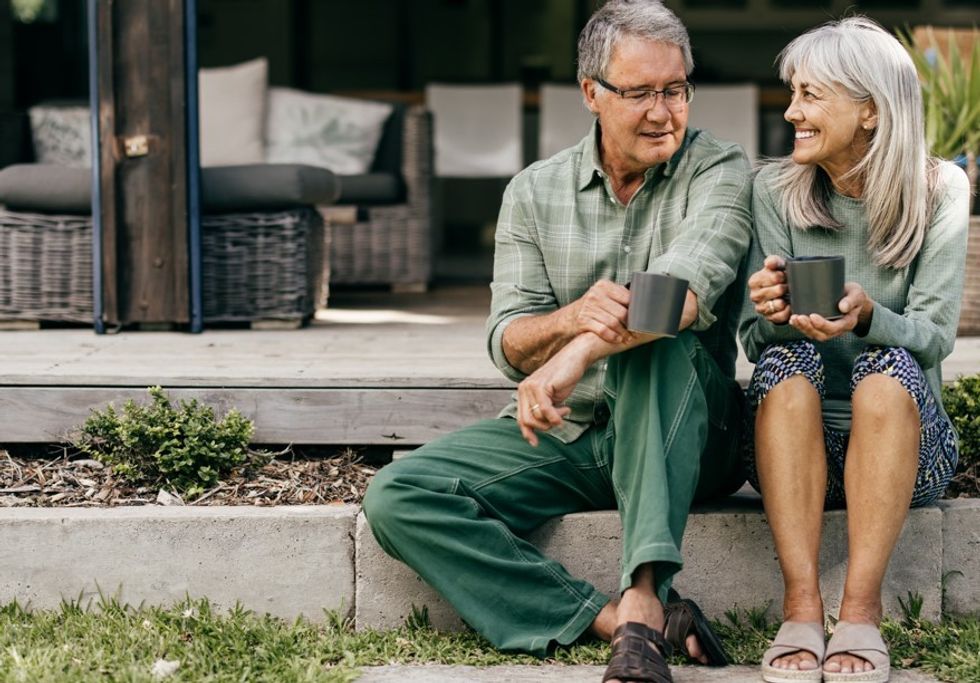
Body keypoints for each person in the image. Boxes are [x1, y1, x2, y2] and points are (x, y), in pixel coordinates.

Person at [363, 2, 752, 680]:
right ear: (591, 93)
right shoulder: (533, 191)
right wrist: (570, 320)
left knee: (655, 338)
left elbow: (681, 294)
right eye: (640, 92)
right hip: (575, 434)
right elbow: (509, 342)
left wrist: (578, 352)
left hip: (688, 433)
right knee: (398, 496)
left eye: (676, 89)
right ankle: (613, 619)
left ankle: (646, 592)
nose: (663, 112)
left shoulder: (719, 169)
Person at [740, 17, 970, 683]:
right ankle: (801, 606)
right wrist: (774, 315)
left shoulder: (940, 190)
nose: (791, 112)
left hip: (907, 452)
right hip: (795, 451)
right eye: (793, 94)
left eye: (810, 95)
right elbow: (751, 341)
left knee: (887, 365)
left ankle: (861, 611)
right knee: (783, 364)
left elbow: (934, 336)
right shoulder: (773, 191)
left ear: (870, 110)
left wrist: (868, 317)